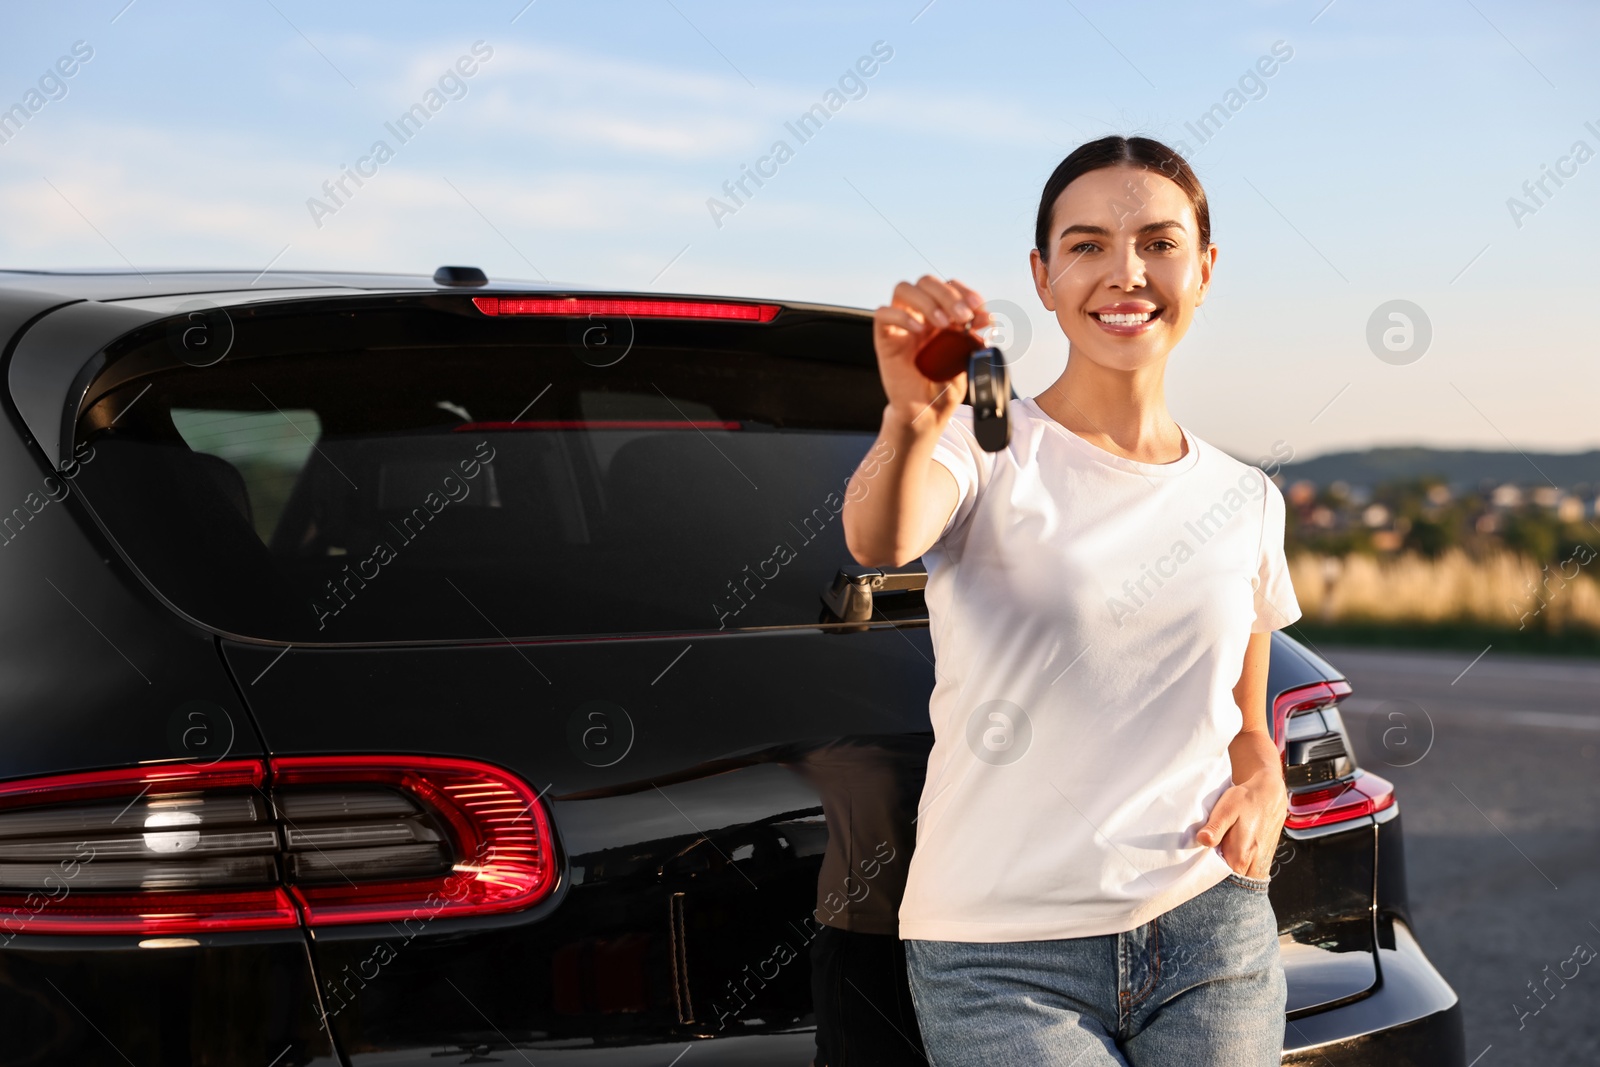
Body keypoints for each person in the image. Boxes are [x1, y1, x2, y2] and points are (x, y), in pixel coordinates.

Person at [839, 134, 1302, 1066]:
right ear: (1043, 276)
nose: (1125, 272)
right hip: (1000, 957)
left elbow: (1245, 723)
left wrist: (1268, 782)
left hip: (1210, 932)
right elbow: (877, 538)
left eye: (1159, 243)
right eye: (1088, 245)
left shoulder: (1247, 498)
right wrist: (907, 420)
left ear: (1204, 270)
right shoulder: (982, 448)